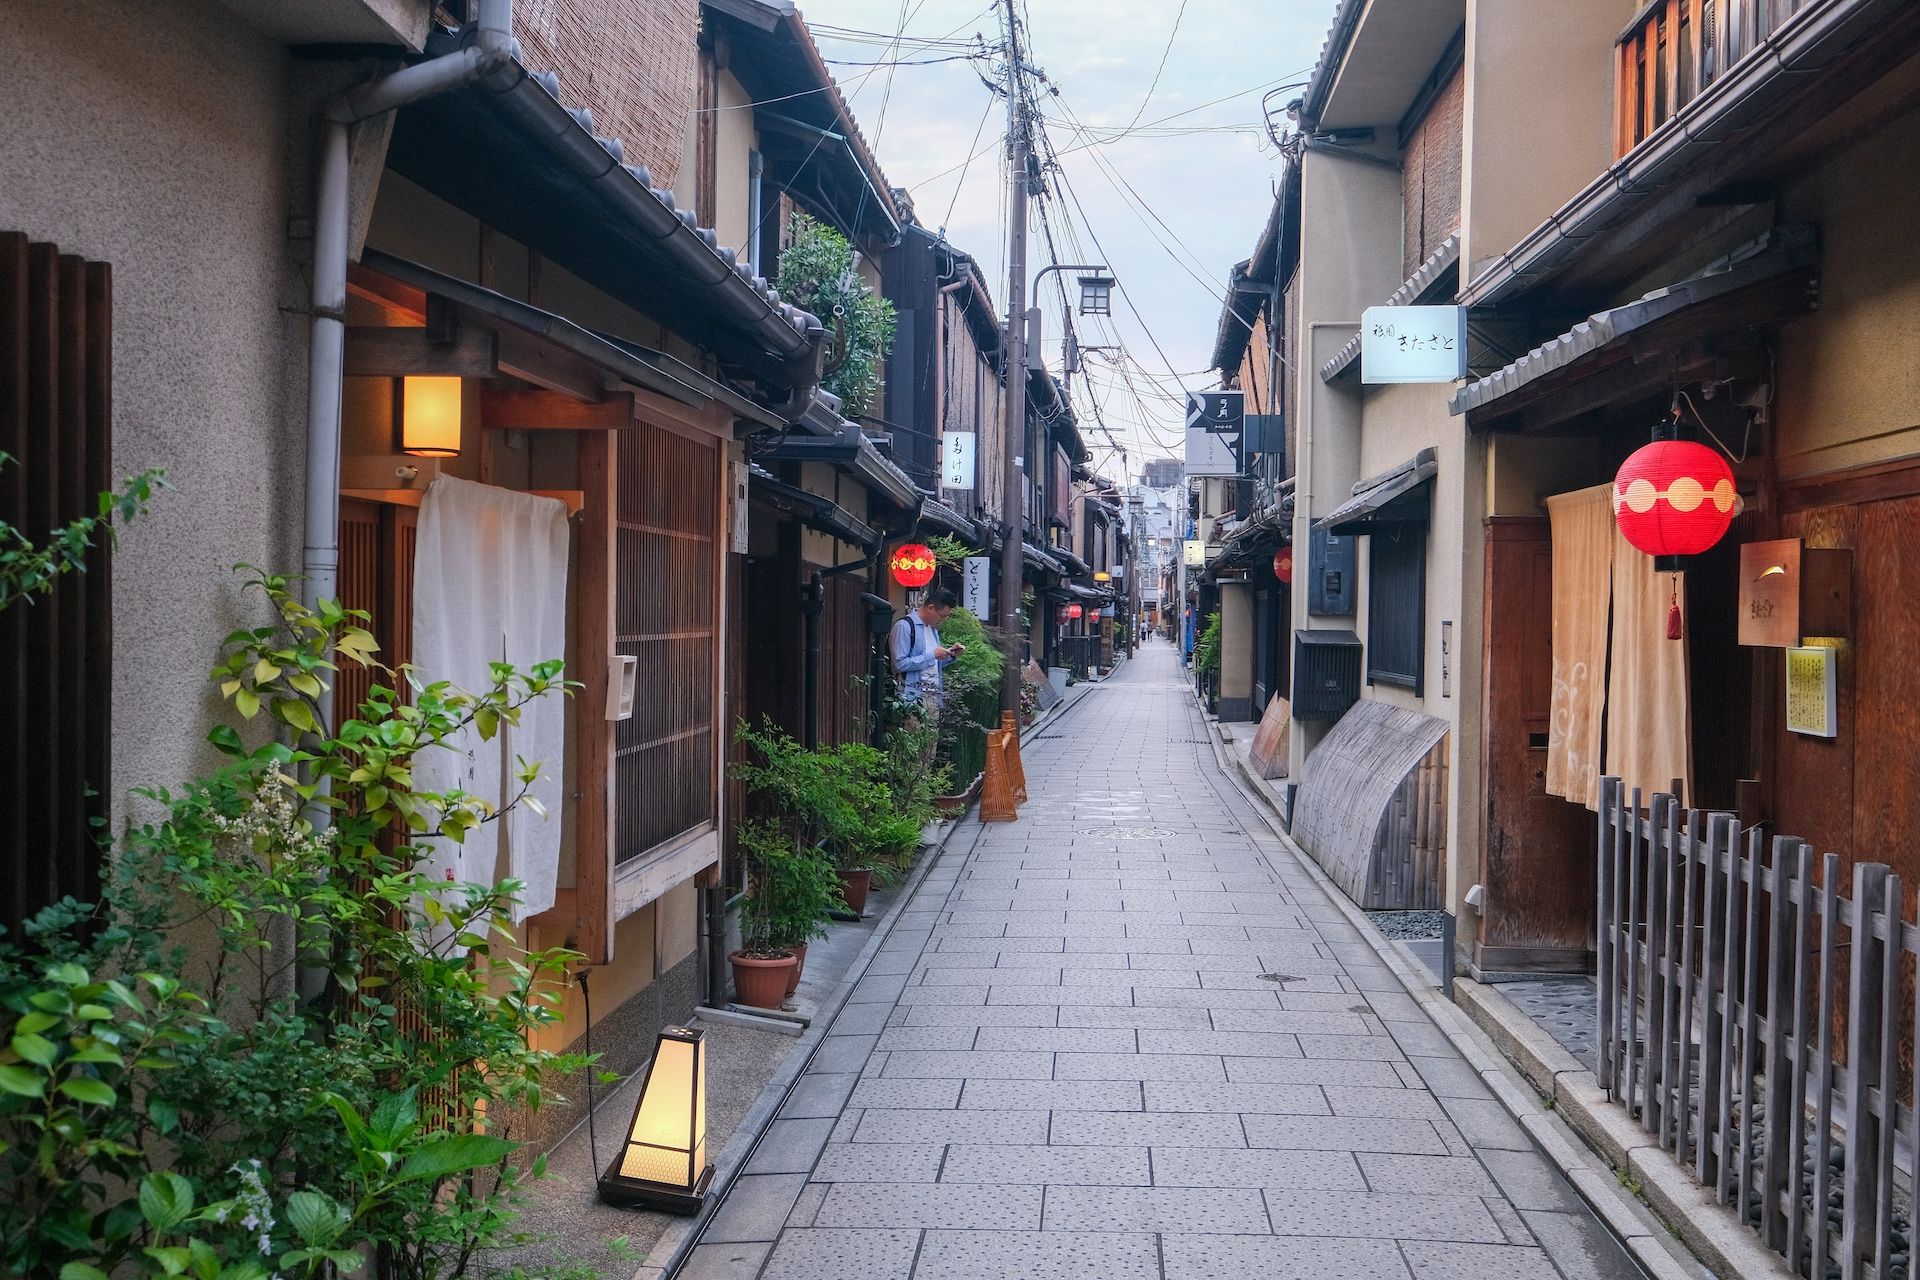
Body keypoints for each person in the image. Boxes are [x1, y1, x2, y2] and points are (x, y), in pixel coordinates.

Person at [890, 586, 962, 708]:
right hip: (911, 698)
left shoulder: (932, 629)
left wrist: (950, 655)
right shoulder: (905, 626)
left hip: (933, 697)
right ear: (931, 608)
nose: (943, 620)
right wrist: (932, 655)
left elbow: (932, 663)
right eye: (942, 616)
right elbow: (899, 664)